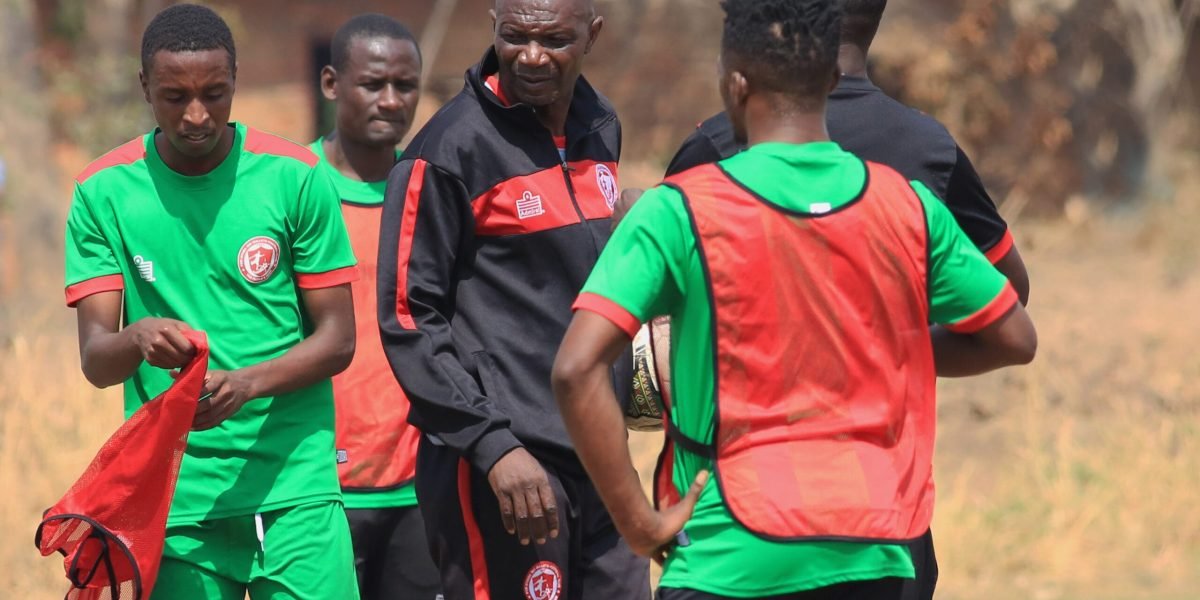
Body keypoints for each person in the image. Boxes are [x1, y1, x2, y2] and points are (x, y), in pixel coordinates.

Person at [552, 1, 1038, 599]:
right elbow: (1013, 335)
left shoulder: (680, 206)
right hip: (874, 551)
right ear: (833, 80)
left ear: (735, 85)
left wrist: (638, 521)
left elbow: (576, 369)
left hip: (729, 555)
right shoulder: (908, 204)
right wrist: (889, 348)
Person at [63, 4, 359, 599]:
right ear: (145, 85)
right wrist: (137, 335)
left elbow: (338, 339)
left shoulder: (294, 176)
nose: (197, 115)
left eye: (215, 94)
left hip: (293, 485)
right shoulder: (103, 192)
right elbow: (97, 360)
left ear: (235, 81)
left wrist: (247, 383)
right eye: (174, 97)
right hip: (175, 495)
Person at [377, 0, 647, 598]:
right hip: (508, 469)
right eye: (515, 35)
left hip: (601, 455)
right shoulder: (447, 152)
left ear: (592, 35)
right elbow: (407, 318)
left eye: (553, 39)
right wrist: (493, 446)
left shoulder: (600, 122)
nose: (531, 55)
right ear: (493, 27)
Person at [663, 0, 1029, 307]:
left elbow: (651, 288)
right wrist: (901, 345)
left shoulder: (720, 142)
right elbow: (1009, 293)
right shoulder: (932, 150)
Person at [311, 13, 442, 600]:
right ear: (332, 84)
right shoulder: (291, 189)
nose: (391, 101)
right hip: (315, 489)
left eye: (406, 86)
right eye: (373, 84)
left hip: (419, 486)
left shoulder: (432, 194)